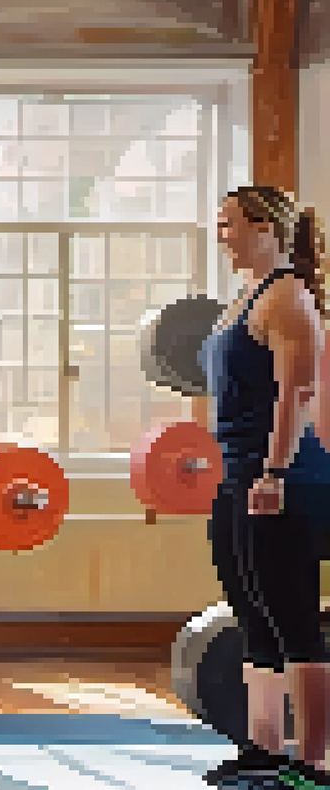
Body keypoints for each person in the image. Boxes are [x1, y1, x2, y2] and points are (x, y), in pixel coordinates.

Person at [200, 187, 330, 787]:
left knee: (291, 617)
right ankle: (266, 747)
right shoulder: (243, 298)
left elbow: (296, 394)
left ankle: (313, 760)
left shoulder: (287, 296)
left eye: (228, 224)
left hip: (281, 476)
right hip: (237, 473)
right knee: (251, 614)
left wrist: (274, 473)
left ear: (261, 226)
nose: (220, 234)